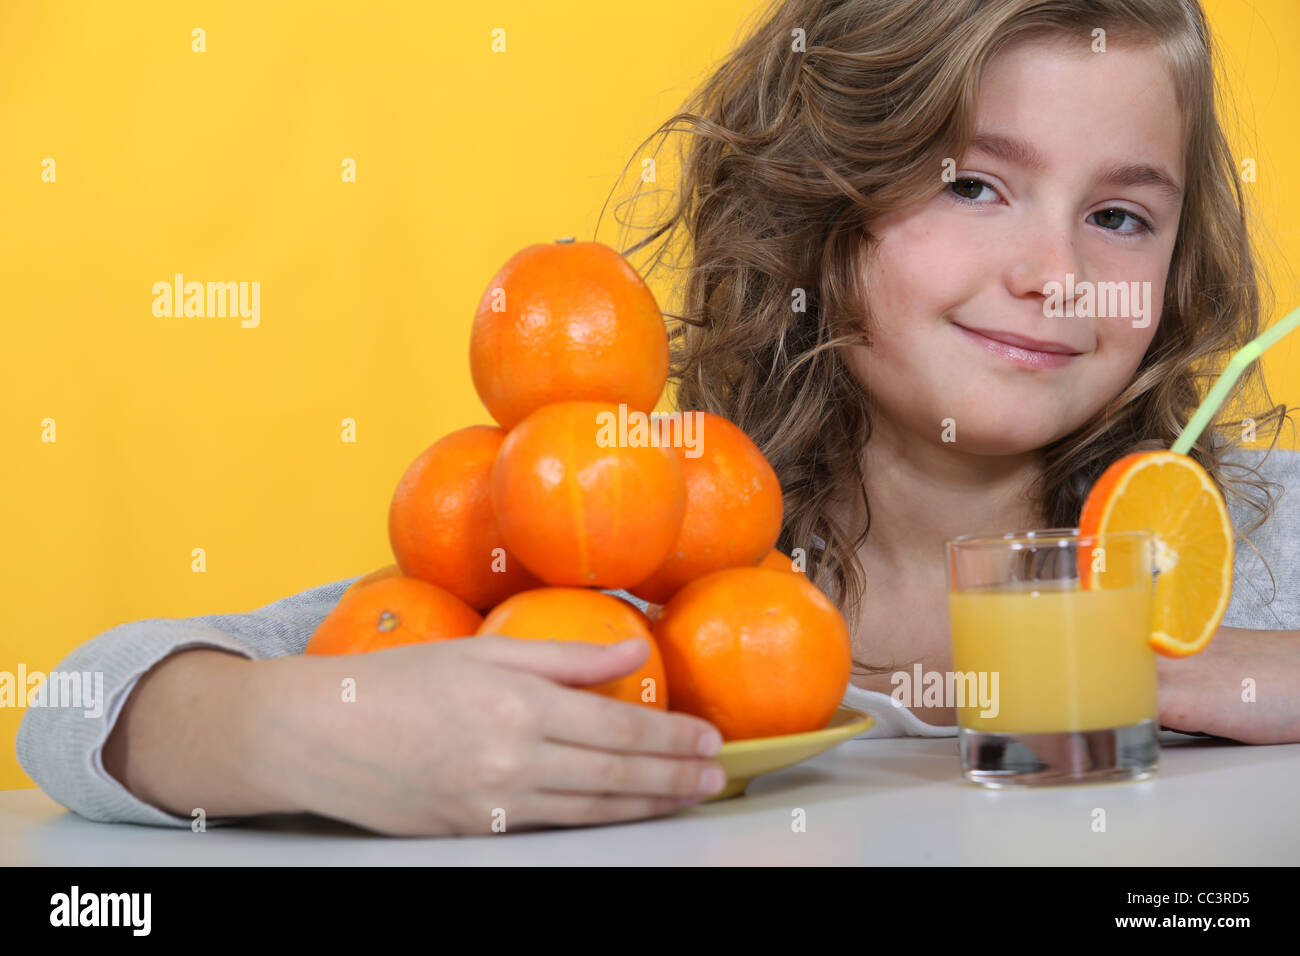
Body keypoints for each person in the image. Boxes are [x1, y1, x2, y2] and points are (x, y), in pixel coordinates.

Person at [18, 0, 1300, 838]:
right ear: (818, 206)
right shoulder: (637, 547)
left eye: (1119, 215)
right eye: (972, 184)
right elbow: (71, 704)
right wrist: (310, 735)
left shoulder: (1256, 537)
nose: (1054, 272)